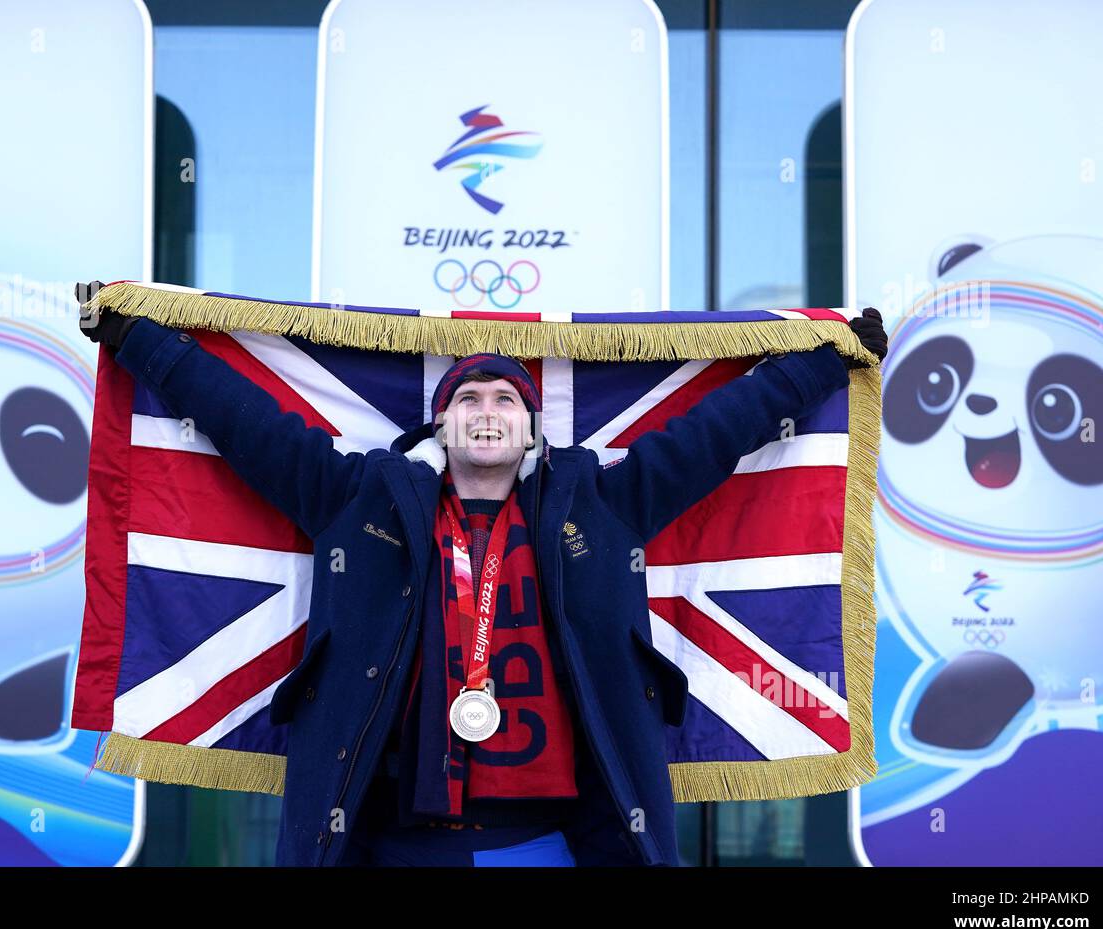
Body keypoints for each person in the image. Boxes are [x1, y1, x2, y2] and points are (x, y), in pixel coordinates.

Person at [77, 283, 887, 866]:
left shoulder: (601, 507)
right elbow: (239, 418)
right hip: (386, 840)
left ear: (532, 425)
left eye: (506, 398)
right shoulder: (357, 498)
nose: (488, 411)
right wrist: (136, 336)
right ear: (443, 422)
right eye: (469, 399)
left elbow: (720, 432)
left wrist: (826, 358)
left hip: (542, 844)